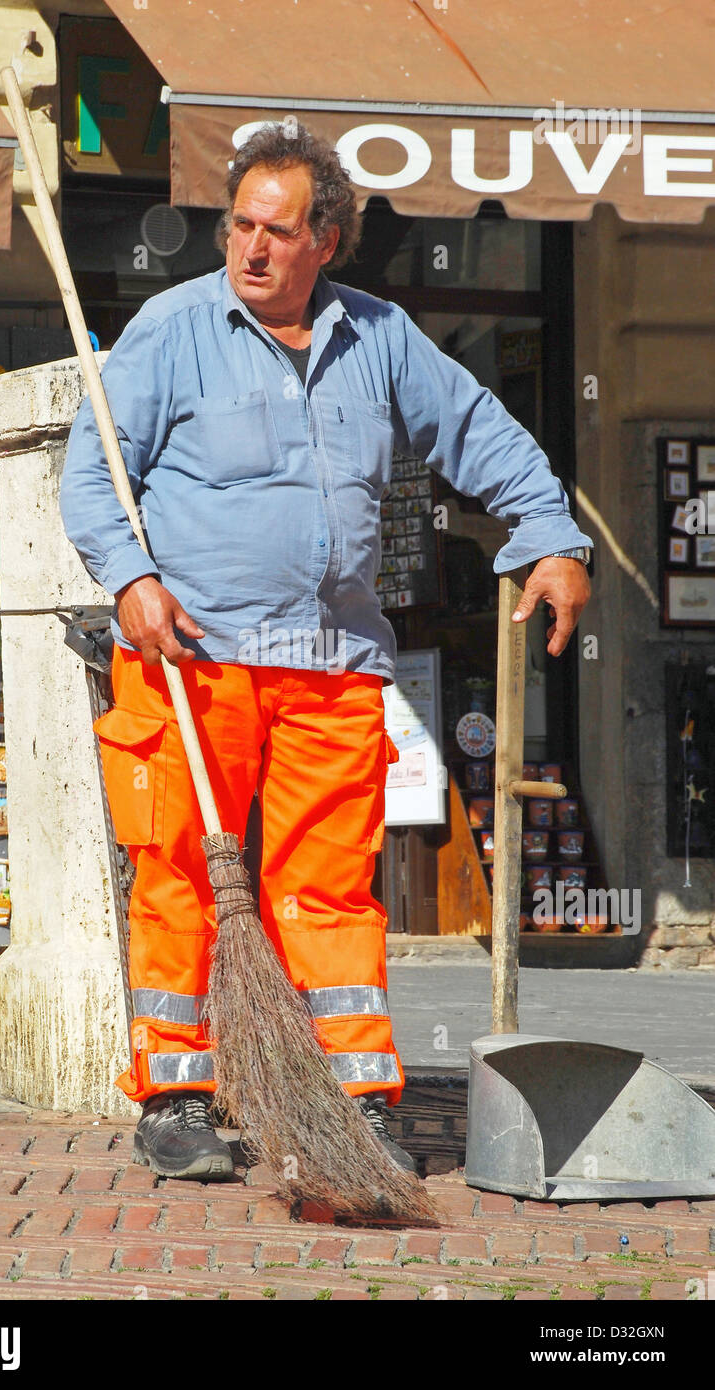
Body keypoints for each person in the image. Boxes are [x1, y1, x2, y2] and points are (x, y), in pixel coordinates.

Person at [60, 121, 592, 1181]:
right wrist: (131, 580)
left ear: (329, 241)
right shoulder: (171, 330)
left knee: (330, 889)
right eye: (239, 226)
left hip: (332, 664)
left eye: (278, 231)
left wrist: (553, 539)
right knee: (177, 874)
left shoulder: (383, 338)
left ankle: (357, 1103)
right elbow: (93, 476)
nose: (251, 249)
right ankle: (176, 1096)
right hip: (190, 659)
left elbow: (479, 434)